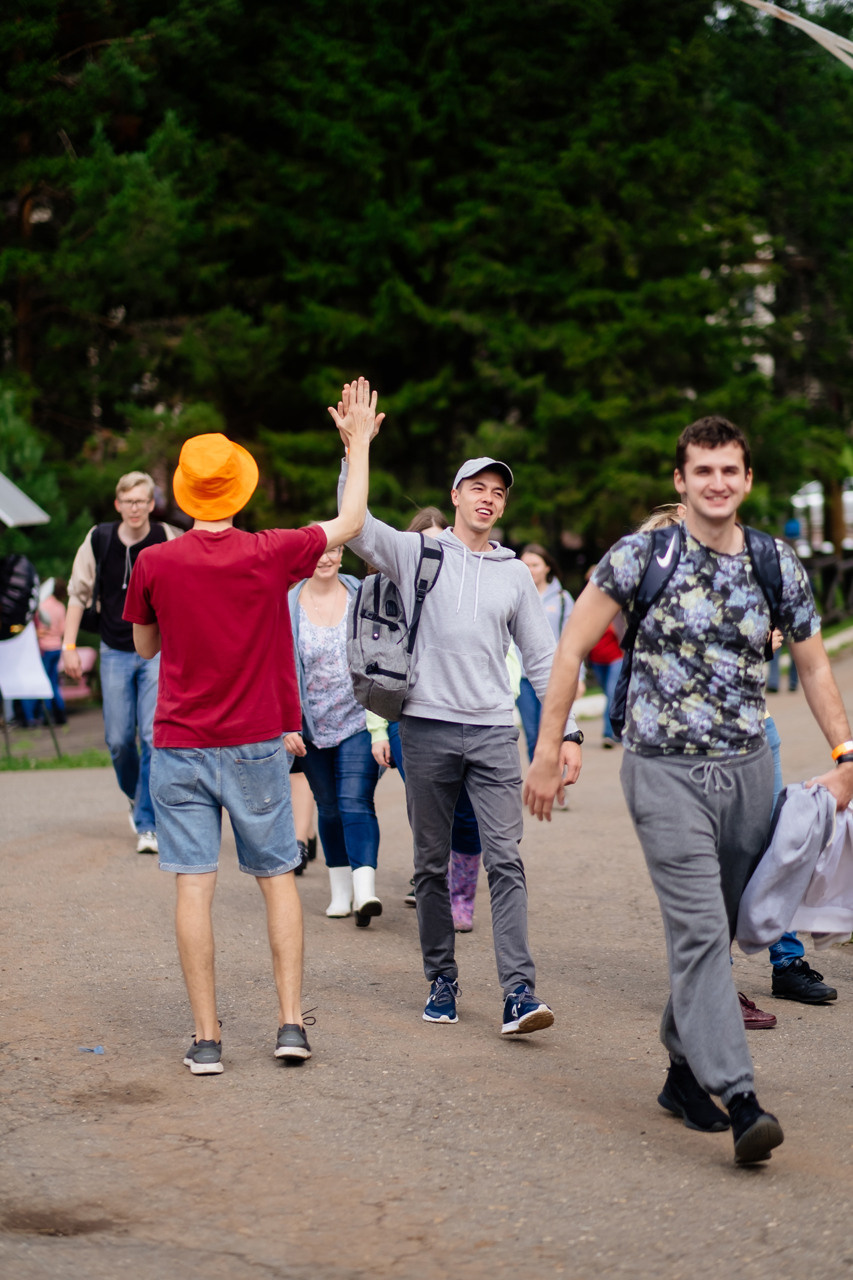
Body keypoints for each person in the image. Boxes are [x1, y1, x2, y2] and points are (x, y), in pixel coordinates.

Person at [524, 415, 853, 1165]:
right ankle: (739, 1097)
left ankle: (679, 1070)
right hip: (662, 768)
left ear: (744, 479)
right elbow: (571, 647)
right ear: (680, 480)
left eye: (728, 471)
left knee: (722, 923)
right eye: (701, 470)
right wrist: (548, 748)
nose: (715, 482)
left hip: (744, 770)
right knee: (702, 931)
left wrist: (845, 752)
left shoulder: (774, 562)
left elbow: (813, 665)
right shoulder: (641, 555)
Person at [122, 377, 382, 1075]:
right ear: (239, 489)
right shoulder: (270, 553)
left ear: (182, 492)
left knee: (192, 887)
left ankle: (206, 1039)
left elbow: (145, 648)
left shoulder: (153, 561)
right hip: (254, 745)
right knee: (275, 881)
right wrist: (355, 443)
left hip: (179, 745)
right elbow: (351, 521)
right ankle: (290, 1025)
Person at [338, 451, 582, 1035]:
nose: (488, 498)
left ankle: (519, 992)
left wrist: (567, 732)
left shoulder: (515, 574)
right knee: (429, 864)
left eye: (498, 491)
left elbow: (543, 658)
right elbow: (355, 523)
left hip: (496, 730)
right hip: (425, 726)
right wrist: (357, 450)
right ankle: (442, 978)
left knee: (506, 859)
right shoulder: (417, 550)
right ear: (455, 495)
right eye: (478, 487)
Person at [63, 473, 181, 854]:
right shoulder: (99, 539)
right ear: (118, 505)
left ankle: (148, 823)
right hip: (114, 648)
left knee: (151, 737)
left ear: (151, 505)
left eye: (141, 501)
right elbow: (77, 594)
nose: (134, 508)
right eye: (127, 501)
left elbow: (192, 585)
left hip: (156, 651)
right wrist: (68, 645)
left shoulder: (168, 537)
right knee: (117, 740)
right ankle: (136, 797)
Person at [286, 544, 383, 926]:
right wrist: (287, 724)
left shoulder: (362, 595)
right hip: (311, 726)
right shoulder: (289, 604)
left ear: (342, 554)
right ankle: (341, 891)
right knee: (327, 807)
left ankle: (366, 892)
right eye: (316, 552)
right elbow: (276, 667)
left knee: (354, 800)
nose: (324, 558)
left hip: (359, 719)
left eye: (333, 551)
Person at [516, 543, 580, 761]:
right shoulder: (516, 595)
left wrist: (578, 678)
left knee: (553, 733)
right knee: (533, 735)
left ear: (547, 568)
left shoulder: (562, 599)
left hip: (553, 676)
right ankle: (540, 785)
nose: (530, 569)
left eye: (535, 564)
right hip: (522, 679)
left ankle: (556, 782)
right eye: (525, 565)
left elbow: (572, 640)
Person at [21, 577, 68, 727]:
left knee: (44, 683)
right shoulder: (60, 607)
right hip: (57, 648)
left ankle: (46, 715)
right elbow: (63, 630)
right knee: (53, 682)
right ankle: (60, 713)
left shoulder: (41, 605)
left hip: (44, 649)